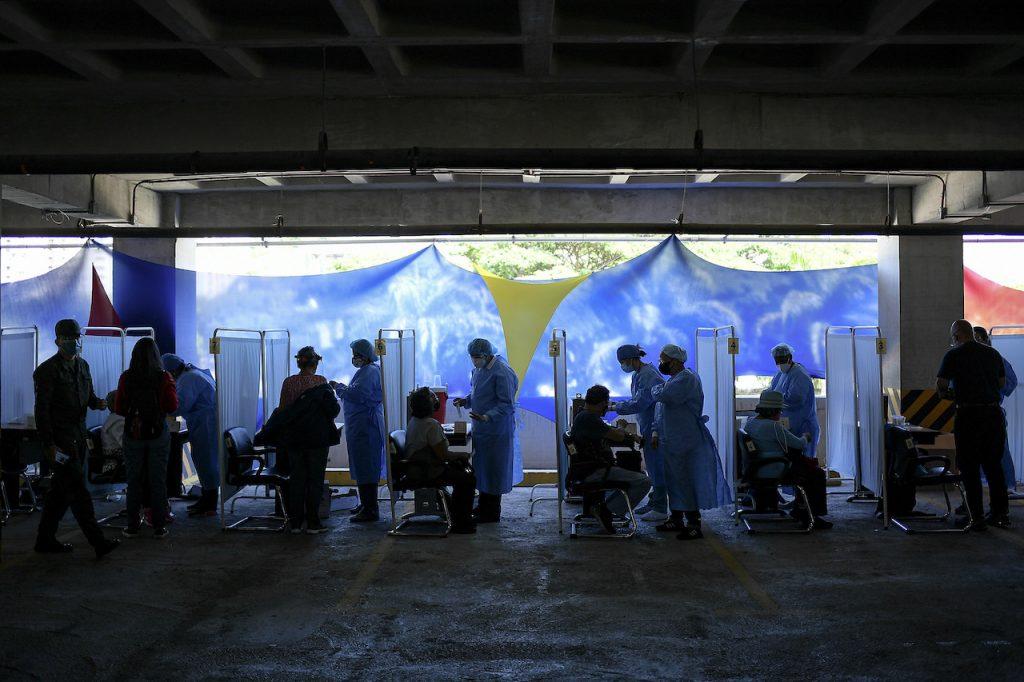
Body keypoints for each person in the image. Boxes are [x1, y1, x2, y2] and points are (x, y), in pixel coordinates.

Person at [33, 319, 120, 558]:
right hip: (60, 442)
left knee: (59, 494)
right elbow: (42, 412)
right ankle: (98, 542)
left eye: (76, 338)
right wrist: (49, 444)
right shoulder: (47, 371)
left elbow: (89, 397)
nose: (74, 342)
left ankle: (44, 539)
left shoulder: (83, 366)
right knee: (79, 493)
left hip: (79, 439)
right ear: (58, 341)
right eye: (69, 339)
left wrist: (102, 403)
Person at [647, 344, 731, 540]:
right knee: (674, 481)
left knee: (685, 481)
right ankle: (676, 518)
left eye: (663, 361)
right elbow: (661, 409)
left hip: (685, 439)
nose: (661, 364)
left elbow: (663, 396)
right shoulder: (673, 380)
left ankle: (694, 524)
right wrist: (655, 432)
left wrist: (656, 388)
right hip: (672, 439)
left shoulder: (687, 379)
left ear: (675, 361)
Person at [937, 320, 1008, 529]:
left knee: (970, 467)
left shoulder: (954, 355)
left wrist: (953, 394)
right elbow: (1002, 383)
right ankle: (1000, 514)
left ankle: (975, 517)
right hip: (993, 415)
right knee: (994, 466)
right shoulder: (993, 354)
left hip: (968, 415)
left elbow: (941, 385)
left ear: (957, 335)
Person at [261, 346, 340, 534]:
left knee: (297, 479)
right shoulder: (321, 382)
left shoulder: (289, 383)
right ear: (316, 363)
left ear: (299, 362)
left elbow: (282, 411)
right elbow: (333, 411)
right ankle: (313, 523)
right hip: (317, 439)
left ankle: (295, 523)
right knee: (315, 479)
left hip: (294, 439)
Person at [114, 337, 178, 539]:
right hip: (158, 434)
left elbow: (119, 408)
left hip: (133, 434)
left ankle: (132, 526)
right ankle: (159, 526)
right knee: (157, 479)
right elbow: (172, 406)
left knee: (134, 480)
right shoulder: (164, 376)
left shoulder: (126, 377)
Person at [742, 389, 832, 529]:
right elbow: (798, 444)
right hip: (775, 466)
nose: (780, 414)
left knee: (806, 470)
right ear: (772, 411)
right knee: (816, 474)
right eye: (779, 410)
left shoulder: (751, 422)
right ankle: (810, 515)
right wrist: (806, 437)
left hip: (758, 466)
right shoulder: (772, 426)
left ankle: (801, 508)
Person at [568, 385, 652, 533]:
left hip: (585, 469)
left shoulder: (584, 416)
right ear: (602, 403)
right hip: (595, 471)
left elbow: (606, 433)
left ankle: (604, 508)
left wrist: (625, 434)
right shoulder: (590, 419)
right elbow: (618, 436)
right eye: (606, 404)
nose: (606, 407)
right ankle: (606, 510)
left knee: (629, 475)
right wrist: (622, 427)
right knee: (644, 481)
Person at [452, 338, 519, 523]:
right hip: (482, 429)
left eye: (477, 357)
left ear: (488, 354)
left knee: (494, 471)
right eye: (472, 357)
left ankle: (491, 513)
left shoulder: (502, 372)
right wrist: (465, 401)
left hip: (497, 430)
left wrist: (488, 416)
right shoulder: (479, 370)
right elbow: (478, 393)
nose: (474, 360)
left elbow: (507, 404)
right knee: (482, 471)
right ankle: (482, 507)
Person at [404, 387, 478, 533]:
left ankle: (455, 513)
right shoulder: (431, 425)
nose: (437, 400)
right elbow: (443, 455)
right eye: (433, 398)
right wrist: (462, 454)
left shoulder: (414, 421)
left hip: (417, 467)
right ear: (428, 404)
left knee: (459, 470)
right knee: (467, 478)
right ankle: (461, 522)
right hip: (426, 470)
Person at [609, 344, 667, 521]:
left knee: (657, 469)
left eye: (624, 361)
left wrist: (613, 407)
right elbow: (636, 399)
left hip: (655, 428)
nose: (623, 365)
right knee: (653, 467)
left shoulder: (648, 375)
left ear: (633, 359)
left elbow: (640, 403)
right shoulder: (638, 374)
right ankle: (654, 501)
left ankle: (660, 509)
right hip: (648, 426)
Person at [161, 353, 218, 517]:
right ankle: (207, 499)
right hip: (205, 421)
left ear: (170, 371)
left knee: (206, 461)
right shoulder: (193, 373)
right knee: (205, 461)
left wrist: (162, 407)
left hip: (205, 423)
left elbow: (179, 405)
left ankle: (210, 503)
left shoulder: (188, 379)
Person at [335, 339, 385, 523]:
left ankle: (371, 509)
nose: (353, 358)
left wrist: (338, 388)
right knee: (362, 465)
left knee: (366, 467)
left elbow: (358, 394)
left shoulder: (370, 371)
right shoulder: (366, 371)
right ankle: (366, 504)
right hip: (361, 426)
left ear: (363, 356)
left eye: (356, 355)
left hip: (366, 427)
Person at [974, 326, 1020, 499]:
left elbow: (1011, 381)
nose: (976, 342)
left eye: (979, 338)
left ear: (986, 340)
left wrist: (996, 389)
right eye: (973, 338)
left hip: (992, 410)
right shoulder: (964, 359)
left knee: (1000, 452)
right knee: (975, 455)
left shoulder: (995, 358)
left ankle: (1008, 486)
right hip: (971, 413)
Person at [768, 343, 820, 460]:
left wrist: (774, 400)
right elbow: (772, 390)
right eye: (777, 361)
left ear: (790, 358)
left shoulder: (800, 375)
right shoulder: (780, 374)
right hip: (789, 426)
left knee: (805, 463)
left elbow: (795, 399)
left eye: (782, 360)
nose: (780, 364)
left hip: (803, 427)